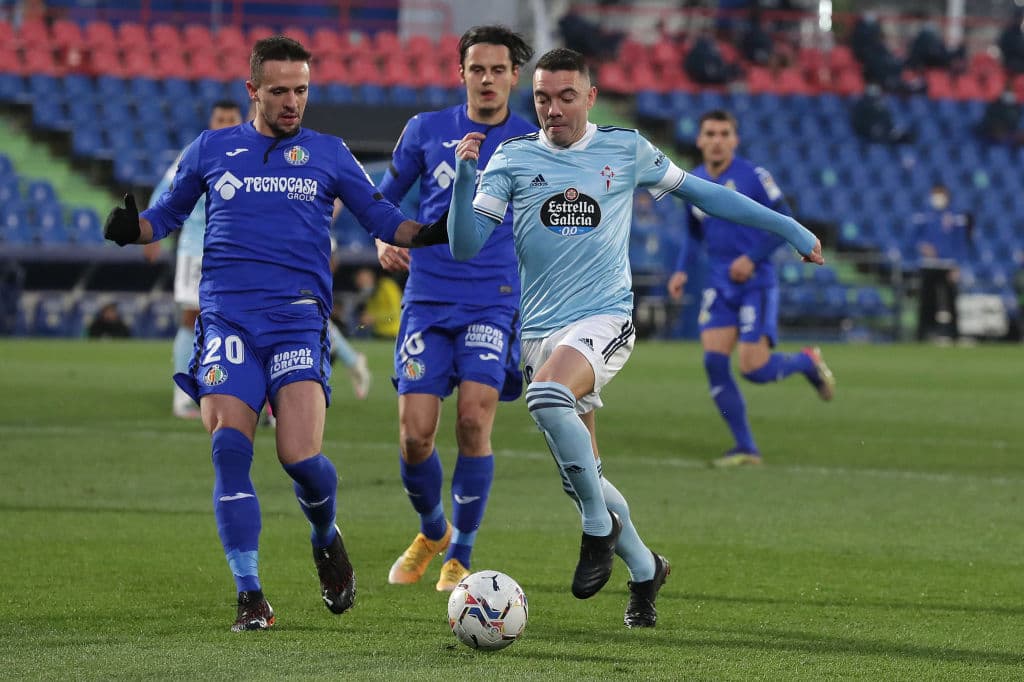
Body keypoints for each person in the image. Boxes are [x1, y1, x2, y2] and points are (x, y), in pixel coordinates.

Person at [431, 47, 824, 628]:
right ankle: (645, 569)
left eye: (567, 96)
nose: (554, 108)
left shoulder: (625, 147)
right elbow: (465, 245)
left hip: (604, 318)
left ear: (590, 97)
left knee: (546, 398)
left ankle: (597, 532)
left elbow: (705, 194)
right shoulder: (510, 158)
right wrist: (465, 176)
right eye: (543, 97)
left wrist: (787, 225)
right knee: (580, 473)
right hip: (539, 331)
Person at [101, 36, 438, 632]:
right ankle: (250, 594)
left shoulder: (330, 154)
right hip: (228, 321)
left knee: (299, 458)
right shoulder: (212, 149)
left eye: (301, 90)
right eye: (279, 90)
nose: (292, 102)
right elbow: (168, 215)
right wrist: (134, 228)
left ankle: (325, 534)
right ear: (252, 90)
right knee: (230, 452)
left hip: (297, 324)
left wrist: (433, 233)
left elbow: (383, 216)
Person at [373, 25, 537, 593]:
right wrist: (382, 235)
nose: (487, 79)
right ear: (461, 73)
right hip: (427, 296)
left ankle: (460, 556)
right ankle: (432, 531)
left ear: (515, 76)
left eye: (497, 69)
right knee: (415, 437)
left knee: (473, 420)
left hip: (492, 298)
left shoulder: (533, 142)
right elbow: (384, 196)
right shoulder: (426, 130)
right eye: (476, 69)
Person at [666, 110, 836, 468]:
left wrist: (753, 258)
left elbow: (784, 220)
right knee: (713, 361)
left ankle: (806, 362)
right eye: (709, 133)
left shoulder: (754, 177)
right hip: (718, 283)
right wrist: (681, 271)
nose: (716, 140)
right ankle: (746, 448)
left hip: (755, 282)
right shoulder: (692, 180)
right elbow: (693, 233)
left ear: (734, 140)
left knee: (753, 368)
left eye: (723, 133)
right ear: (699, 140)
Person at [145, 100, 243, 419]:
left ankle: (234, 390)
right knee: (193, 317)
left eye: (231, 118)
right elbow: (164, 191)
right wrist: (150, 231)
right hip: (196, 248)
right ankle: (182, 396)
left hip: (239, 250)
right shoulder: (196, 152)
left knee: (240, 321)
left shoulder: (255, 154)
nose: (226, 123)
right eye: (221, 118)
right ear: (212, 121)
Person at [911, 184, 970, 343]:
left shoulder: (955, 216)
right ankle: (923, 333)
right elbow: (913, 238)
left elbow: (961, 243)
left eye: (941, 194)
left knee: (951, 301)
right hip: (928, 264)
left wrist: (958, 265)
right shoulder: (924, 214)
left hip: (948, 264)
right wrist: (923, 245)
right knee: (926, 301)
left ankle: (953, 333)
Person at [351, 266, 402, 339]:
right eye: (359, 283)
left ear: (371, 277)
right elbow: (369, 315)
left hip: (393, 335)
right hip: (377, 335)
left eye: (362, 280)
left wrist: (374, 318)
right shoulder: (368, 294)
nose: (361, 284)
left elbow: (396, 313)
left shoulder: (386, 285)